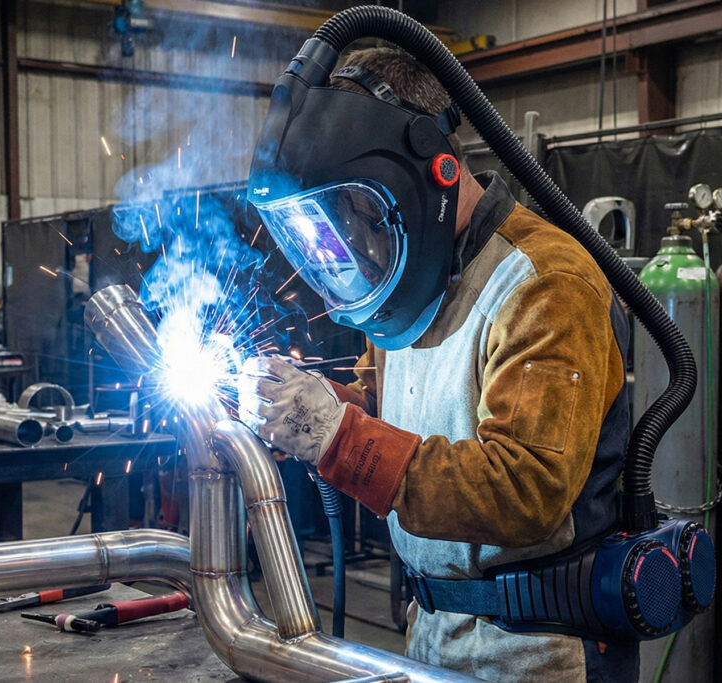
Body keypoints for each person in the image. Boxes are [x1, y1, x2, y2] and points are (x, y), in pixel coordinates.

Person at [239, 46, 636, 682]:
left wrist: (339, 438)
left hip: (538, 650)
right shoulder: (406, 284)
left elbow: (524, 487)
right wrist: (312, 408)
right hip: (433, 633)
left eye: (355, 217)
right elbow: (387, 413)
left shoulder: (544, 284)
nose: (351, 248)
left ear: (422, 177)